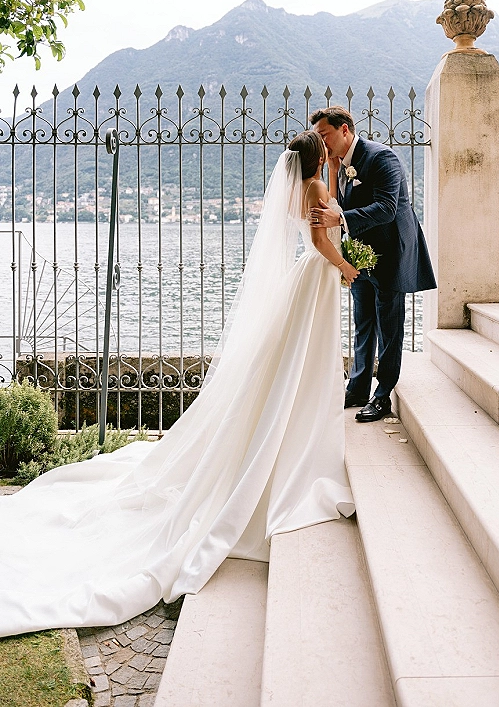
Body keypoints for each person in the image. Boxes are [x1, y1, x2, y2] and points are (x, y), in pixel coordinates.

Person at [0, 132, 356, 637]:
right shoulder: (320, 188)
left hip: (307, 278)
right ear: (318, 157)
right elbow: (323, 242)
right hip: (320, 274)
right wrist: (348, 269)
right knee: (306, 364)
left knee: (292, 366)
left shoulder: (304, 188)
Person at [310, 106, 436, 422]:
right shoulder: (338, 164)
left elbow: (387, 208)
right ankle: (357, 387)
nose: (321, 143)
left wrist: (340, 218)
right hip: (360, 251)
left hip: (391, 251)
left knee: (389, 325)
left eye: (324, 135)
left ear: (344, 130)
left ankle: (382, 396)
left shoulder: (382, 158)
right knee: (363, 320)